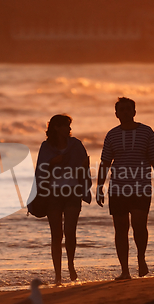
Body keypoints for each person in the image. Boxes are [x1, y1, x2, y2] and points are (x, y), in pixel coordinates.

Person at [96, 97, 154, 280]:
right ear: (116, 114)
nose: (126, 112)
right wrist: (99, 186)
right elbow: (105, 162)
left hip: (141, 187)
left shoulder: (146, 132)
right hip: (117, 189)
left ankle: (141, 258)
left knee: (139, 225)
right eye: (122, 110)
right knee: (120, 230)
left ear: (134, 112)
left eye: (129, 109)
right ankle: (125, 271)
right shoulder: (111, 135)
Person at [34, 114, 91, 285]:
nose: (69, 129)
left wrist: (83, 168)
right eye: (66, 126)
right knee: (56, 235)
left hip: (73, 191)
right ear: (56, 128)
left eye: (69, 126)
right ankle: (58, 275)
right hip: (53, 194)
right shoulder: (46, 147)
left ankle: (71, 265)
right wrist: (52, 163)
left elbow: (85, 168)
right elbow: (39, 171)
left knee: (70, 231)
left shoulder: (76, 145)